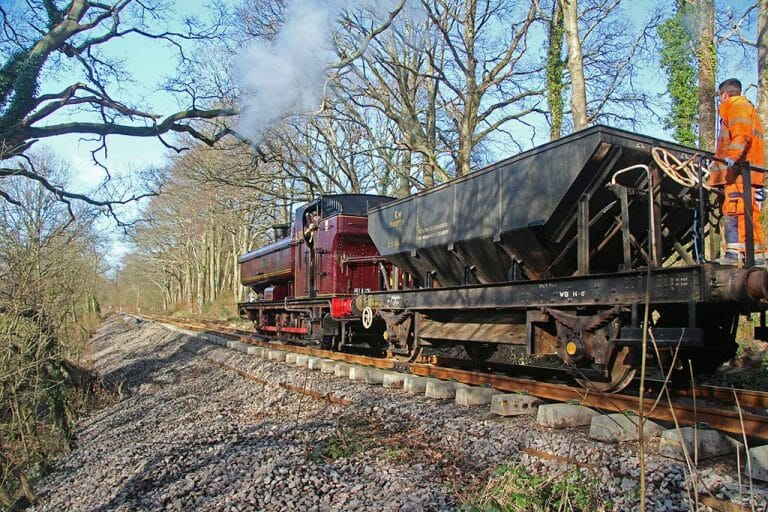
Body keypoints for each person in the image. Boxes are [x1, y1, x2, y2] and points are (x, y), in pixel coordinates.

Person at [707, 78, 766, 264]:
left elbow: (741, 134)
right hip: (745, 174)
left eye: (719, 97)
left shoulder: (736, 106)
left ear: (724, 95)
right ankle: (752, 255)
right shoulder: (747, 108)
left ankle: (737, 255)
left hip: (739, 173)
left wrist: (731, 158)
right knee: (744, 212)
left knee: (736, 211)